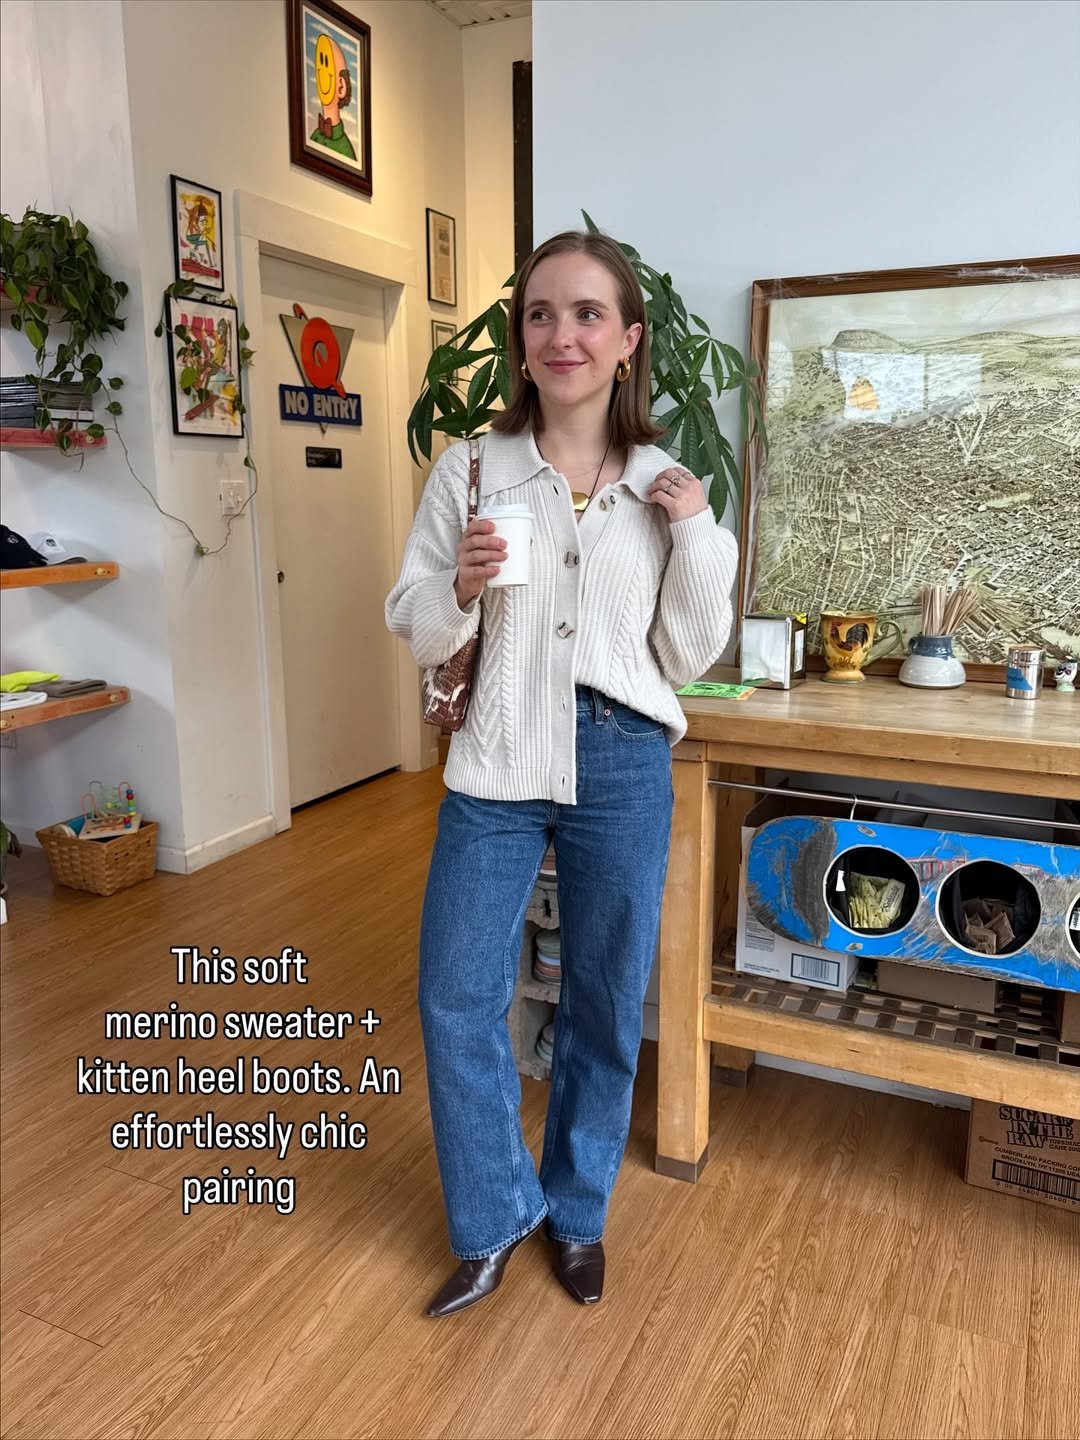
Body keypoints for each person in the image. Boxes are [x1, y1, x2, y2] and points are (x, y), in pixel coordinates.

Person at [384, 230, 738, 1318]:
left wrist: (697, 535)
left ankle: (578, 1213)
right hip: (497, 756)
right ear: (521, 339)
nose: (562, 334)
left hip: (623, 755)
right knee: (456, 993)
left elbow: (687, 655)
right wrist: (459, 584)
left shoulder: (664, 487)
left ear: (629, 340)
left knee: (604, 997)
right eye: (541, 313)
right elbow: (414, 621)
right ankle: (496, 1215)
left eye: (588, 314)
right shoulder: (472, 470)